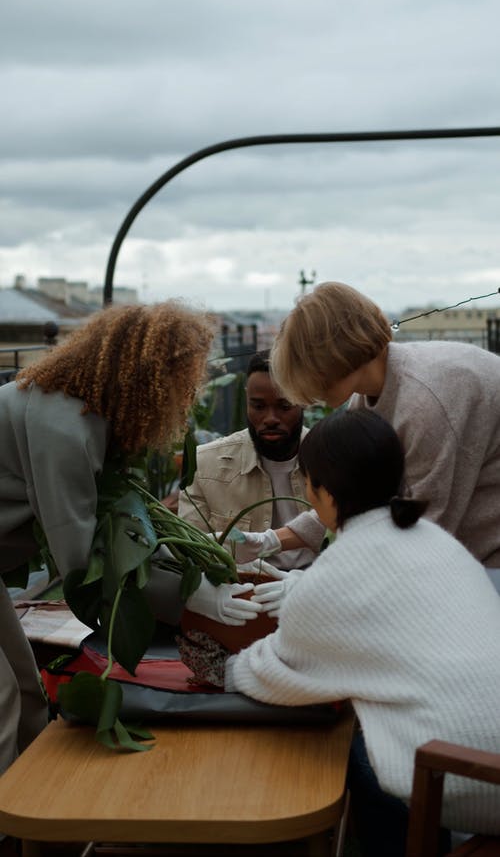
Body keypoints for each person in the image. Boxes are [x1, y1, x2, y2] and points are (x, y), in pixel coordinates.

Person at [178, 409, 500, 856]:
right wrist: (303, 586)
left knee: (340, 753)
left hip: (461, 775)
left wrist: (224, 667)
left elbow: (281, 673)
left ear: (322, 491)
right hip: (489, 755)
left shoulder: (340, 571)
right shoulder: (430, 537)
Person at [0, 301, 260, 776]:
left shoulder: (85, 413)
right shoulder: (65, 427)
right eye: (183, 377)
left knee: (25, 692)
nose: (185, 392)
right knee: (2, 706)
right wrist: (190, 600)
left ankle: (38, 819)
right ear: (147, 375)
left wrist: (192, 578)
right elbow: (79, 560)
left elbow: (122, 533)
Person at [268, 280, 500, 585]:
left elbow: (424, 532)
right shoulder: (368, 397)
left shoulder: (425, 404)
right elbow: (353, 498)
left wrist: (318, 588)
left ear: (331, 357)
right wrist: (272, 540)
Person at [178, 350, 326, 571]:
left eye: (284, 407)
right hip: (241, 589)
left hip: (318, 583)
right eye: (258, 406)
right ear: (247, 400)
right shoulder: (204, 463)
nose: (270, 419)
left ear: (302, 401)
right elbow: (191, 552)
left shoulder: (331, 458)